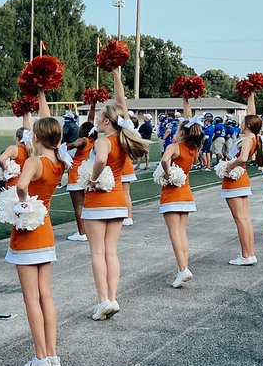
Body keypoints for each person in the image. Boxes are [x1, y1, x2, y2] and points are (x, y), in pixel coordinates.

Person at [82, 65, 149, 320]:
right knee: (111, 252)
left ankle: (103, 300)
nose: (96, 121)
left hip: (98, 202)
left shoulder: (104, 141)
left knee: (98, 253)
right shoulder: (123, 140)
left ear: (106, 122)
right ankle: (113, 297)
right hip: (118, 202)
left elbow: (99, 161)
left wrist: (93, 179)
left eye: (99, 117)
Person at [7, 93, 67, 366]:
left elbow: (20, 186)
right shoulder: (58, 163)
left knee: (31, 298)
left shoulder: (34, 162)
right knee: (47, 295)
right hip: (46, 230)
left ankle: (40, 357)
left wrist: (22, 203)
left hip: (29, 233)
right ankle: (52, 354)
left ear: (38, 138)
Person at [158, 97, 204, 288]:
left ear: (183, 132)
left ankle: (183, 269)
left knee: (174, 233)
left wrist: (167, 174)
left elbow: (163, 161)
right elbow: (189, 118)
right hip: (186, 193)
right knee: (182, 233)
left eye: (177, 130)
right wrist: (186, 100)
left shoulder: (174, 146)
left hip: (171, 194)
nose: (174, 132)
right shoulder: (194, 148)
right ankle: (184, 268)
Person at [221, 92, 263, 266]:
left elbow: (243, 158)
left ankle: (246, 255)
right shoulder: (254, 137)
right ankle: (248, 253)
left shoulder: (247, 139)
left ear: (247, 125)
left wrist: (229, 167)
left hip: (236, 180)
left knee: (240, 219)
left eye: (243, 121)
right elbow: (251, 114)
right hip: (242, 180)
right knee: (244, 218)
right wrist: (251, 96)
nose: (240, 123)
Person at [65, 114, 96, 242]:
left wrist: (64, 147)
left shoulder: (83, 140)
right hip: (85, 172)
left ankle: (81, 232)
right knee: (85, 204)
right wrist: (93, 105)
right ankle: (87, 230)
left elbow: (77, 143)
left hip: (76, 174)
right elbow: (90, 120)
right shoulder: (92, 140)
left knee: (78, 205)